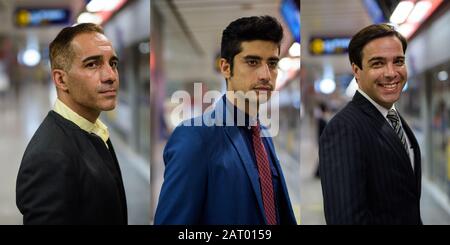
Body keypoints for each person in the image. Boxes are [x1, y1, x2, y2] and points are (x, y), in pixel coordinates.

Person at [154, 16, 296, 225]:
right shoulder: (195, 138)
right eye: (253, 62)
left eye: (272, 63)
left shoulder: (264, 134)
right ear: (226, 67)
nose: (266, 75)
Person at [16, 23, 127, 225]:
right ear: (61, 79)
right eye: (92, 64)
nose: (110, 76)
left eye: (113, 63)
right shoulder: (49, 157)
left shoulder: (93, 130)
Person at [319, 24, 422, 225]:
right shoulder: (344, 129)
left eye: (398, 61)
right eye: (378, 64)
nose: (391, 72)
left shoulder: (393, 117)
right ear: (357, 70)